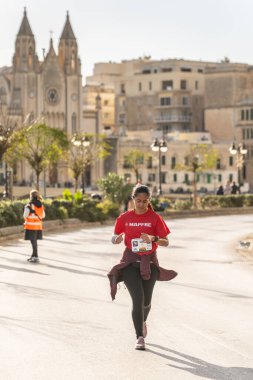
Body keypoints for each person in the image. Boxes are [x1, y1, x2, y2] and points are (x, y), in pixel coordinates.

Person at [108, 185, 177, 351]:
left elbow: (165, 241)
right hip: (130, 262)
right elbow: (114, 235)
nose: (141, 204)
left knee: (146, 302)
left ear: (149, 201)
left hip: (149, 263)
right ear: (133, 200)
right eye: (138, 201)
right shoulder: (124, 217)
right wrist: (115, 240)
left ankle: (142, 320)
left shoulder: (155, 218)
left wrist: (153, 238)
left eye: (145, 201)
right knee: (137, 300)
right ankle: (139, 336)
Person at [23, 189, 45, 263]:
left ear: (30, 196)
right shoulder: (41, 205)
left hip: (31, 226)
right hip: (38, 226)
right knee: (34, 242)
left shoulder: (29, 205)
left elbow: (25, 215)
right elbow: (43, 215)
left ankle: (36, 257)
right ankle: (33, 256)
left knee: (33, 242)